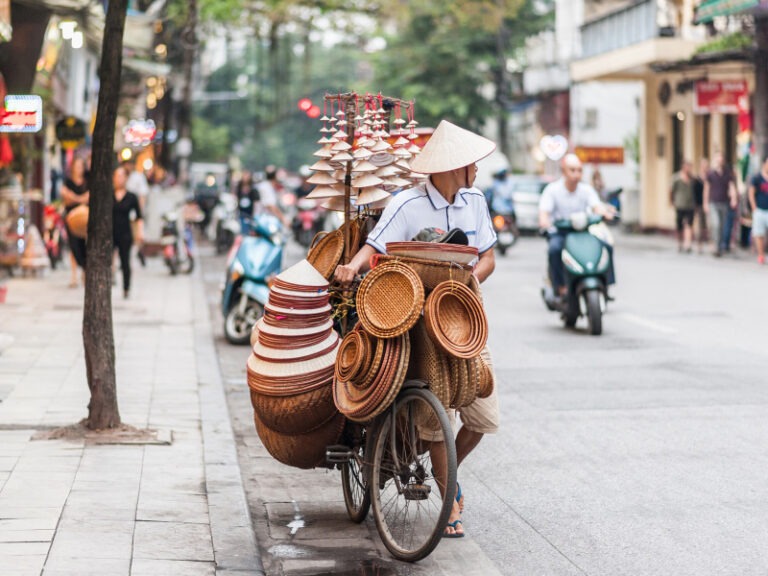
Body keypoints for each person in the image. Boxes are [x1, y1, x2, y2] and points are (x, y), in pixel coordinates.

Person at [335, 120, 499, 539]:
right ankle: (449, 503)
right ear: (450, 168)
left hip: (463, 319)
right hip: (420, 323)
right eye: (470, 165)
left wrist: (468, 281)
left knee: (482, 417)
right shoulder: (407, 205)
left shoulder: (475, 200)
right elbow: (375, 245)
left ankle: (448, 476)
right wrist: (350, 267)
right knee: (434, 417)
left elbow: (488, 258)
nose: (476, 171)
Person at [539, 154, 615, 302]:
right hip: (561, 233)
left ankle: (607, 284)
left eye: (579, 170)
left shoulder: (586, 190)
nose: (576, 174)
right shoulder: (552, 190)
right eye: (572, 170)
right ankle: (560, 287)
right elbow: (544, 213)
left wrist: (605, 213)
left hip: (583, 232)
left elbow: (596, 207)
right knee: (554, 250)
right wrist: (544, 222)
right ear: (563, 171)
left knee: (606, 246)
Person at [112, 166, 143, 299]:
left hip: (125, 232)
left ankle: (126, 287)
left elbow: (139, 217)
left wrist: (140, 233)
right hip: (109, 232)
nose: (119, 179)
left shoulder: (131, 197)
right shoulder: (108, 195)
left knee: (125, 261)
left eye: (121, 176)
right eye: (117, 176)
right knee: (107, 260)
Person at [60, 157, 89, 288]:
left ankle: (84, 269)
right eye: (77, 166)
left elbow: (88, 196)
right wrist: (80, 199)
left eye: (81, 166)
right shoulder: (68, 181)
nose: (79, 169)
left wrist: (74, 198)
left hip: (85, 218)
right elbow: (65, 194)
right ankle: (74, 275)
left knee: (84, 245)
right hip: (71, 218)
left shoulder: (87, 181)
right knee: (73, 246)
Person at [703, 152, 737, 257]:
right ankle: (716, 247)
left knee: (722, 226)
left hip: (724, 202)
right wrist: (705, 203)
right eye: (718, 159)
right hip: (713, 202)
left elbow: (731, 187)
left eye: (721, 159)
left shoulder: (728, 174)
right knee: (716, 224)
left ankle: (719, 246)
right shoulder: (711, 174)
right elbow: (706, 189)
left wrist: (733, 198)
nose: (720, 161)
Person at [670, 160, 695, 253]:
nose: (689, 169)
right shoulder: (676, 178)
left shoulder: (692, 179)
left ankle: (687, 244)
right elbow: (671, 191)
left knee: (689, 225)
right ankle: (679, 243)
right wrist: (672, 202)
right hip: (680, 205)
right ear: (683, 167)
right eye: (687, 167)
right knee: (679, 226)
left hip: (690, 205)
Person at [748, 156, 768, 264]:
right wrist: (754, 208)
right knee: (759, 234)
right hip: (759, 209)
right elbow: (751, 193)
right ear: (764, 164)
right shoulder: (757, 178)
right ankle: (761, 255)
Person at [693, 158, 709, 253]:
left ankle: (710, 244)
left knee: (708, 226)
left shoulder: (710, 178)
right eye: (704, 166)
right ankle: (699, 245)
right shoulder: (696, 179)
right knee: (699, 226)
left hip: (709, 205)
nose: (705, 168)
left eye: (707, 166)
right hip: (699, 205)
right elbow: (694, 193)